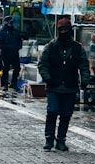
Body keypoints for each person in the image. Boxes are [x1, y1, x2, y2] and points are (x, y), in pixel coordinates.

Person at [37, 18, 91, 151]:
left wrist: (85, 80)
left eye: (65, 29)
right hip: (54, 86)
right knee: (52, 112)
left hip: (70, 86)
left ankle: (61, 140)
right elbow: (43, 64)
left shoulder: (77, 48)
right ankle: (49, 139)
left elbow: (84, 65)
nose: (63, 32)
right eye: (61, 29)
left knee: (66, 115)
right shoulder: (51, 47)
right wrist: (48, 78)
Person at [0, 16, 23, 92]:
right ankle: (5, 84)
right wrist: (7, 47)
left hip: (14, 52)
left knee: (17, 68)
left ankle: (13, 83)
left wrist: (18, 47)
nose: (11, 24)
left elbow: (19, 40)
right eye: (10, 22)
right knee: (5, 68)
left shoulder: (14, 31)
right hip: (5, 53)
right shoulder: (1, 32)